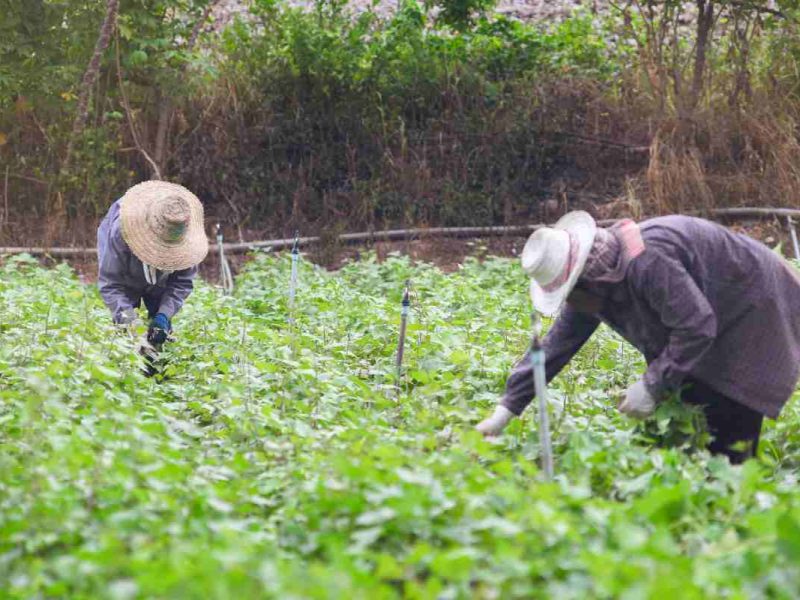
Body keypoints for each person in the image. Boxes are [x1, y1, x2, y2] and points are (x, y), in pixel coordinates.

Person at [477, 211, 800, 463]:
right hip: (711, 309)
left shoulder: (649, 262)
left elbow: (695, 326)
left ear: (588, 280)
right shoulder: (594, 284)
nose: (569, 302)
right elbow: (555, 347)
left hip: (752, 302)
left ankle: (735, 497)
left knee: (729, 403)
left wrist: (651, 385)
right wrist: (506, 409)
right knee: (689, 398)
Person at [97, 180, 208, 372]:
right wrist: (130, 322)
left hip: (161, 280)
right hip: (128, 273)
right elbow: (111, 285)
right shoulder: (120, 233)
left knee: (159, 327)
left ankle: (156, 366)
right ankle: (127, 371)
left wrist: (163, 315)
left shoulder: (188, 237)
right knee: (126, 328)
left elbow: (181, 282)